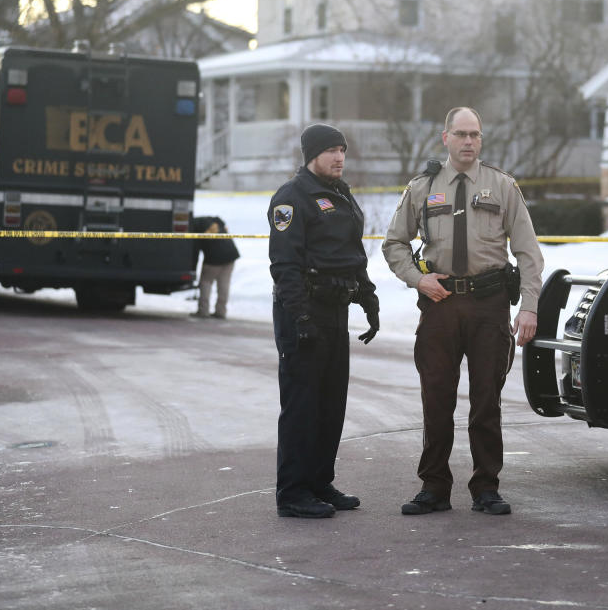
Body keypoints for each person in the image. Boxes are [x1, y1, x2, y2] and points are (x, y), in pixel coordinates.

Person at [382, 107, 544, 516]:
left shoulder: (502, 186)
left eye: (475, 134)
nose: (469, 141)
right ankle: (434, 487)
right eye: (461, 134)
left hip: (489, 305)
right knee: (436, 399)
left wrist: (530, 307)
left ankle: (486, 487)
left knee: (486, 400)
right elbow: (395, 244)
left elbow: (528, 253)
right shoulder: (422, 188)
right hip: (441, 304)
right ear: (445, 138)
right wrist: (417, 279)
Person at [267, 123, 380, 519]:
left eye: (342, 150)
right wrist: (299, 317)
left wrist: (368, 297)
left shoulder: (340, 194)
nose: (339, 157)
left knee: (332, 402)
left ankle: (318, 482)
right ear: (311, 155)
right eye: (331, 150)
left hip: (335, 310)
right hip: (304, 312)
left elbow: (352, 254)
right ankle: (293, 492)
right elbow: (284, 265)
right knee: (302, 404)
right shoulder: (291, 198)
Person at [191, 215, 240, 319]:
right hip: (231, 254)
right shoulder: (214, 220)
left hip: (214, 258)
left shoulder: (194, 227)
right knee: (224, 284)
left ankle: (203, 311)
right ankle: (221, 311)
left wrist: (193, 267)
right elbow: (220, 219)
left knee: (206, 282)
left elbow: (195, 251)